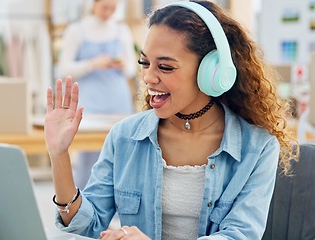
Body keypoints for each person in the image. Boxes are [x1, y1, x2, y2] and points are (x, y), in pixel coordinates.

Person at [44, 1, 298, 239]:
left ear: (212, 72)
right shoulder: (124, 136)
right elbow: (87, 225)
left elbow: (238, 235)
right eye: (145, 63)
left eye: (165, 67)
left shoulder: (257, 147)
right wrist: (59, 154)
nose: (148, 78)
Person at [57, 0, 137, 190]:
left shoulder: (122, 31)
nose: (109, 12)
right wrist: (92, 64)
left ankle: (120, 212)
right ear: (93, 4)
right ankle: (82, 208)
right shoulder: (76, 31)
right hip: (90, 104)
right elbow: (62, 69)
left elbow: (132, 69)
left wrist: (122, 65)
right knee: (89, 159)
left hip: (118, 102)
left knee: (120, 157)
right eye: (105, 7)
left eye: (113, 8)